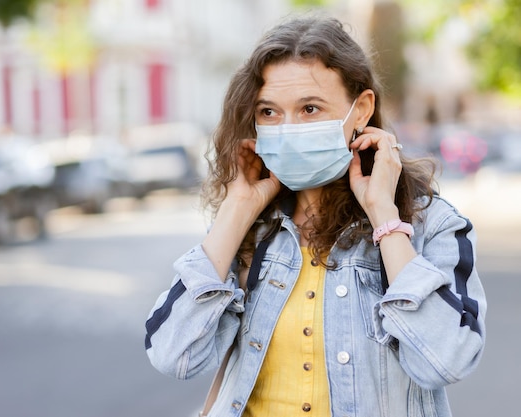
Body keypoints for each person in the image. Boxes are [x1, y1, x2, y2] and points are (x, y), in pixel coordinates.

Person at [144, 13, 486, 417]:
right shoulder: (254, 227)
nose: (288, 128)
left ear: (361, 110)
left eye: (310, 108)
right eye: (269, 112)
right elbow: (173, 356)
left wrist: (384, 216)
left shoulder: (433, 225)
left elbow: (446, 360)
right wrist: (237, 208)